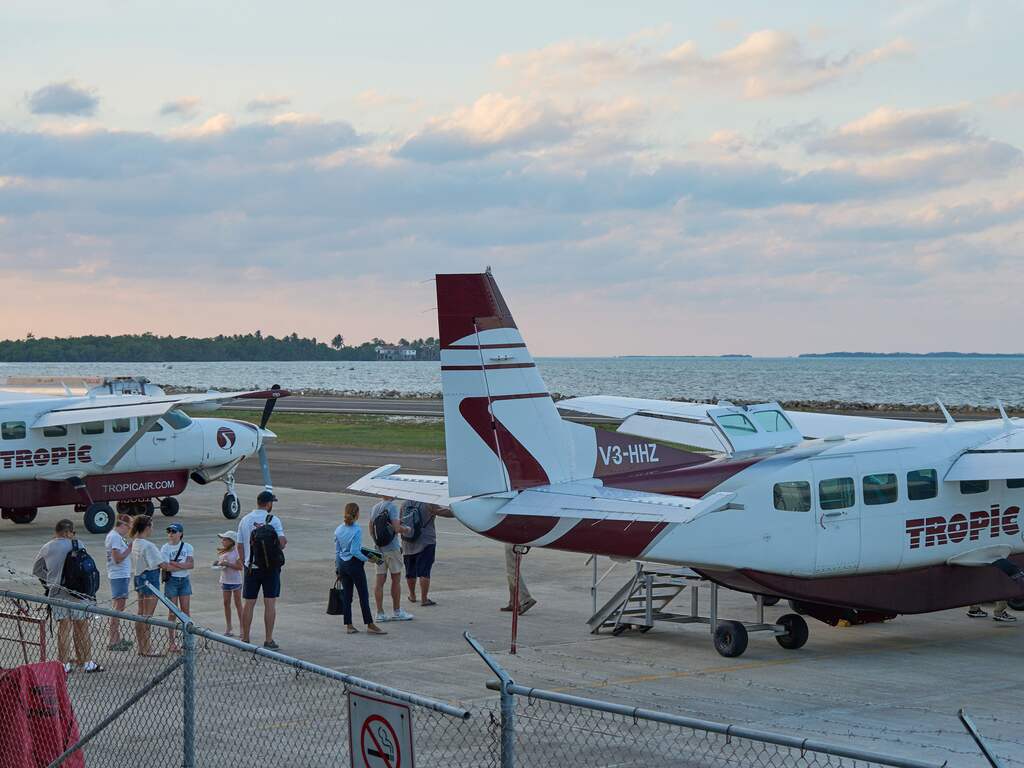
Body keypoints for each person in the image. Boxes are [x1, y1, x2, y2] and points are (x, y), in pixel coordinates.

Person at [32, 519, 104, 673]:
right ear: (68, 532)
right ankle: (86, 662)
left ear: (56, 532)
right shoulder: (78, 545)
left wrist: (51, 579)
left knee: (63, 628)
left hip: (57, 593)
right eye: (73, 532)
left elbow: (37, 569)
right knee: (82, 626)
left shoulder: (47, 547)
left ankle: (64, 664)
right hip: (78, 593)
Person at [237, 490, 287, 649]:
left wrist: (246, 562)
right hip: (270, 568)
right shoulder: (274, 520)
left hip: (251, 567)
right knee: (270, 603)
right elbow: (282, 542)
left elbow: (239, 544)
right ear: (268, 504)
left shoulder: (245, 520)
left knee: (249, 603)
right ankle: (269, 639)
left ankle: (245, 639)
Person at [334, 503, 386, 635]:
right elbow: (355, 551)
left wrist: (338, 567)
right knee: (363, 595)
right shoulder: (356, 530)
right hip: (354, 564)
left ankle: (349, 625)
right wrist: (368, 559)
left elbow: (337, 551)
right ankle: (369, 624)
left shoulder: (339, 529)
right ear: (356, 513)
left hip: (343, 564)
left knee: (347, 595)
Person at [370, 497, 414, 623]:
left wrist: (377, 543)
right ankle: (397, 611)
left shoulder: (375, 507)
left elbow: (371, 527)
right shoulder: (392, 507)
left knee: (379, 582)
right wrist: (406, 529)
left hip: (379, 549)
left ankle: (380, 613)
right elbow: (396, 528)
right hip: (392, 548)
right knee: (396, 580)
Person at [402, 501, 454, 607]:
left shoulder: (404, 504)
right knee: (424, 571)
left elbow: (400, 521)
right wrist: (458, 512)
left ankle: (412, 595)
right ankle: (424, 599)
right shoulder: (428, 504)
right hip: (426, 541)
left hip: (408, 541)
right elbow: (445, 513)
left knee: (410, 571)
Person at [129, 515, 164, 657]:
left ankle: (141, 646)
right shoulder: (149, 545)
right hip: (150, 578)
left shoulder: (136, 542)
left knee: (141, 613)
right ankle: (147, 648)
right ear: (147, 527)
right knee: (147, 616)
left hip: (139, 577)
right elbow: (161, 564)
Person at [160, 522, 194, 652]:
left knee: (185, 612)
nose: (171, 534)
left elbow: (191, 565)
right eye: (169, 532)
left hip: (184, 580)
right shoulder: (165, 548)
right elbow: (166, 567)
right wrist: (181, 565)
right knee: (173, 612)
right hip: (172, 581)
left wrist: (174, 563)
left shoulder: (188, 547)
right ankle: (171, 642)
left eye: (174, 532)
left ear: (180, 534)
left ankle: (187, 640)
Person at [104, 513, 134, 651]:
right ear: (123, 525)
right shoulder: (115, 537)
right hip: (119, 575)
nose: (129, 530)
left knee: (118, 607)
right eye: (129, 527)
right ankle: (113, 640)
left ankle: (115, 638)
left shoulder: (116, 537)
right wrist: (130, 548)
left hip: (120, 575)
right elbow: (117, 558)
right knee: (118, 608)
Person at [214, 531, 243, 636]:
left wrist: (228, 564)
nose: (222, 541)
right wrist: (218, 564)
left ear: (231, 541)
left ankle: (242, 627)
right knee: (226, 603)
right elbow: (221, 565)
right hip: (225, 580)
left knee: (238, 603)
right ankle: (229, 626)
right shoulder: (223, 552)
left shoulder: (237, 553)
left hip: (235, 581)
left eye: (225, 539)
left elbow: (240, 567)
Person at [502, 544, 537, 615]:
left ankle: (525, 600)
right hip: (514, 541)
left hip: (513, 540)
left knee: (513, 571)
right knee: (512, 570)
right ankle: (514, 602)